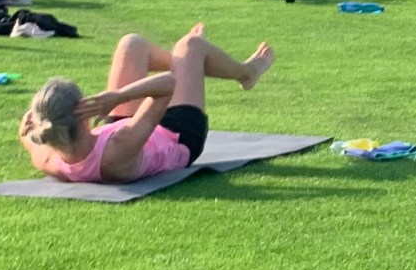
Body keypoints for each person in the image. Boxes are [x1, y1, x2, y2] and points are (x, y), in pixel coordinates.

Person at [19, 25, 274, 186]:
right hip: (177, 135)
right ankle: (246, 73)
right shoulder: (118, 149)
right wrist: (118, 96)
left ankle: (191, 64)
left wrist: (30, 125)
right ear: (83, 115)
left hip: (128, 129)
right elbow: (168, 85)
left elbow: (25, 134)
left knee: (132, 44)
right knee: (190, 45)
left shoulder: (47, 158)